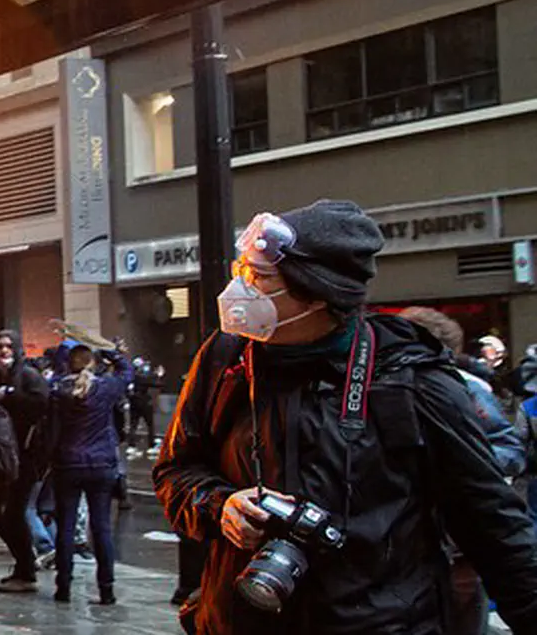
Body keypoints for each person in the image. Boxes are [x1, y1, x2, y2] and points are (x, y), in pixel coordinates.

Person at [154, 200, 537, 634]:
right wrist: (219, 505)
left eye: (259, 278)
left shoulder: (414, 380)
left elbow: (494, 526)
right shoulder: (227, 359)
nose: (242, 289)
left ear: (318, 295)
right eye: (243, 271)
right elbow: (175, 469)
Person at [399, 306, 527, 635]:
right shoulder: (390, 386)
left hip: (457, 542)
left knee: (465, 617)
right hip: (418, 542)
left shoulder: (463, 387)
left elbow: (509, 448)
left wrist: (456, 465)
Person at [47, 343, 132, 605]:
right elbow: (127, 372)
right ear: (92, 363)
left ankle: (63, 587)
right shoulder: (106, 388)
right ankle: (106, 590)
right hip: (101, 465)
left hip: (68, 463)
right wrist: (111, 352)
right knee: (102, 528)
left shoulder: (60, 389)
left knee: (66, 528)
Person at [0, 330, 52, 594]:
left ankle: (25, 567)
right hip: (3, 455)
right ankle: (24, 562)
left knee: (13, 513)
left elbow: (41, 405)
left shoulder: (27, 376)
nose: (3, 351)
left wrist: (9, 395)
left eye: (8, 346)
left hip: (24, 457)